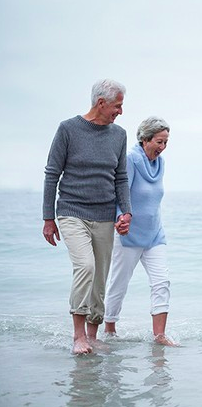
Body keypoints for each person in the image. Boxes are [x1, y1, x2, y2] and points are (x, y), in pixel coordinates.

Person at [42, 79, 133, 354]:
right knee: (86, 267)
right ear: (101, 103)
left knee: (100, 276)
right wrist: (48, 218)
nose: (120, 111)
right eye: (117, 106)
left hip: (104, 214)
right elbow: (51, 174)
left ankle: (93, 335)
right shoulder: (68, 129)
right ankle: (78, 336)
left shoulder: (119, 135)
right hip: (71, 210)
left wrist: (126, 211)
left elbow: (120, 177)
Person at [103, 116, 176, 346]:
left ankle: (159, 335)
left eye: (166, 142)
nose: (162, 147)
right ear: (145, 139)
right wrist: (120, 218)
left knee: (162, 281)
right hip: (128, 234)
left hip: (155, 234)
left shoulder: (160, 163)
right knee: (119, 283)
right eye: (159, 141)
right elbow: (120, 193)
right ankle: (109, 329)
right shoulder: (131, 160)